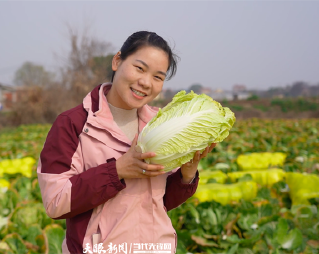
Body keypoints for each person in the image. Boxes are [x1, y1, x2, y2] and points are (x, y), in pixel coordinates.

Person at [37, 31, 216, 254]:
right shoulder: (73, 124)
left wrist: (186, 175)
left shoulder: (160, 126)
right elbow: (56, 202)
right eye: (139, 68)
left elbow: (159, 204)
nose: (145, 82)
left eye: (158, 77)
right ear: (117, 61)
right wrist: (117, 170)